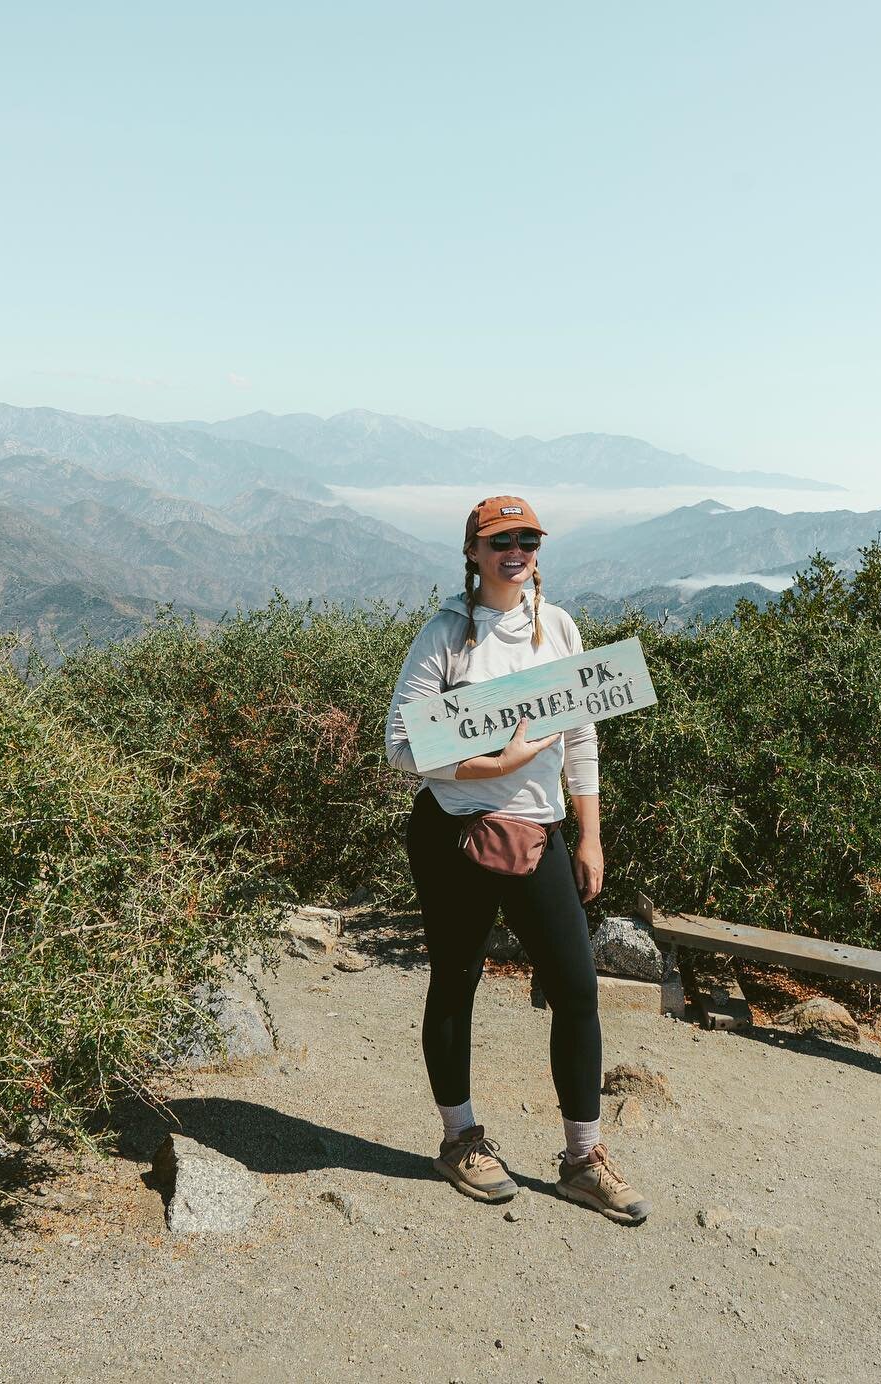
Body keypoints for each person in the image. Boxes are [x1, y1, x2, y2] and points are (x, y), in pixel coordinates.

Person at [386, 494, 650, 1225]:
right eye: (501, 539)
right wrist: (489, 763)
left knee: (576, 989)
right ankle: (459, 1139)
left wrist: (589, 836)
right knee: (456, 982)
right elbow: (402, 747)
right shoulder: (446, 637)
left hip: (543, 836)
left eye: (528, 538)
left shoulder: (559, 626)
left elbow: (581, 739)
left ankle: (582, 1159)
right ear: (472, 550)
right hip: (457, 836)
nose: (518, 550)